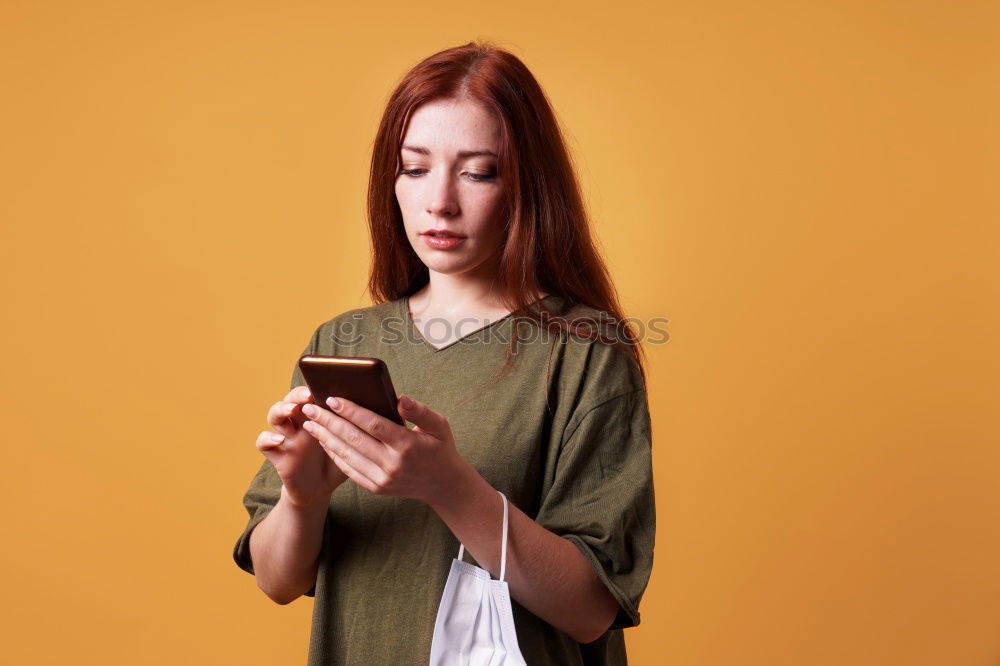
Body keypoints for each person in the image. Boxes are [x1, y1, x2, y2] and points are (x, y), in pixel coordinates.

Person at [233, 40, 655, 666]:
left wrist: (452, 488)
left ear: (526, 186)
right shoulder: (343, 343)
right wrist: (303, 496)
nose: (440, 202)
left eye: (478, 171)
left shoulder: (586, 352)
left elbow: (592, 610)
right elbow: (278, 581)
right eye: (414, 168)